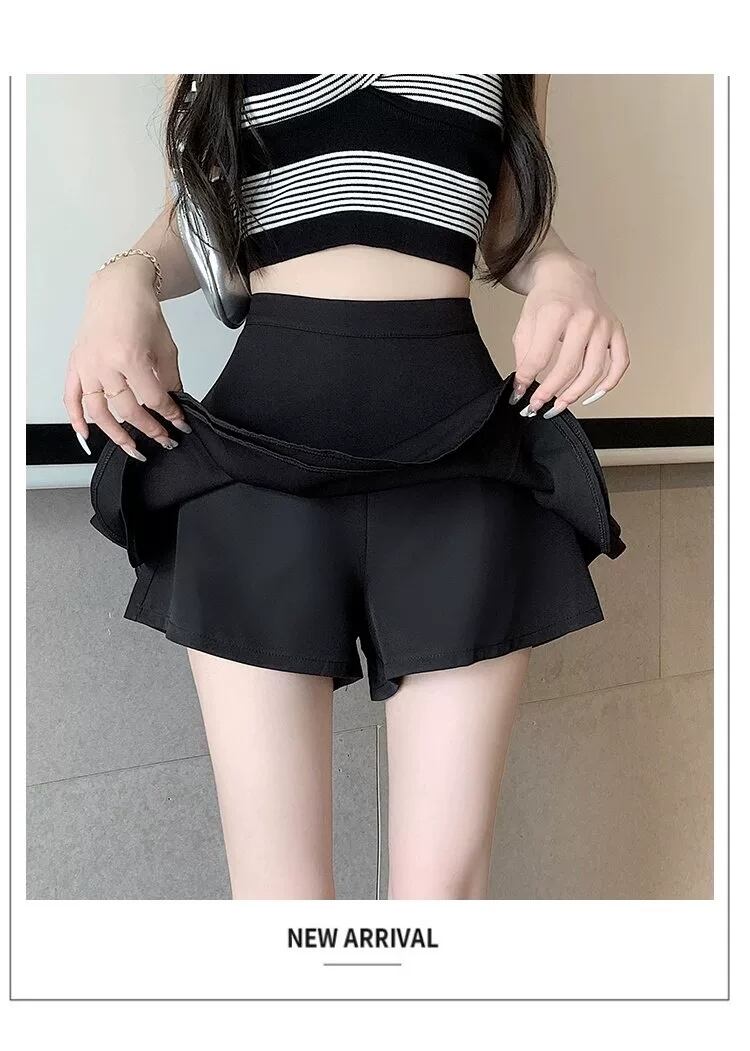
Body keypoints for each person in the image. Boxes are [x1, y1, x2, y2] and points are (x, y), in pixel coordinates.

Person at [65, 74, 629, 900]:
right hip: (257, 461)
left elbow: (510, 220)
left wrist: (565, 272)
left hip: (460, 457)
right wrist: (123, 278)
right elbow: (197, 214)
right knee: (278, 902)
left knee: (443, 899)